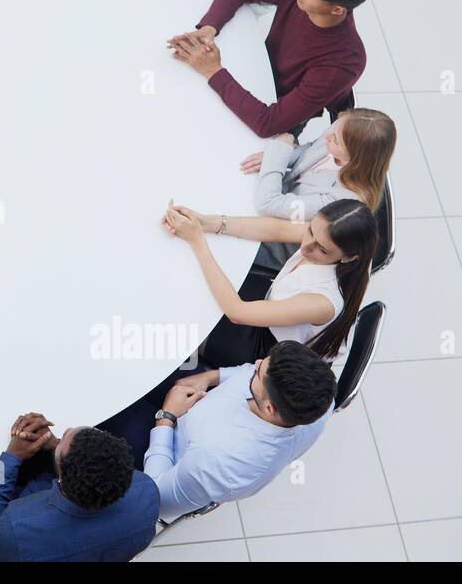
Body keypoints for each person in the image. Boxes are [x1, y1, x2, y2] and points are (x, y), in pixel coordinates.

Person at [100, 341, 336, 521]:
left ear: (269, 408)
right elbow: (248, 372)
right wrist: (210, 377)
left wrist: (166, 417)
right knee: (136, 350)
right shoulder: (322, 401)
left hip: (163, 449)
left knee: (105, 398)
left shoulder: (218, 463)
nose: (255, 363)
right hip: (196, 401)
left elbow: (156, 496)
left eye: (259, 372)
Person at [167, 0, 374, 138]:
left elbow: (268, 123)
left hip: (274, 110)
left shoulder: (344, 62)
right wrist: (210, 27)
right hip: (254, 67)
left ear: (337, 10)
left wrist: (212, 70)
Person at [161, 198, 376, 366]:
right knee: (195, 282)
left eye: (321, 248)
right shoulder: (326, 234)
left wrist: (197, 240)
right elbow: (277, 229)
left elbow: (237, 312)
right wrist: (210, 222)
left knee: (179, 318)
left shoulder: (324, 302)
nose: (306, 246)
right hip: (271, 300)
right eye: (309, 230)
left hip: (263, 352)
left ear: (348, 257)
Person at [0, 416, 158, 562]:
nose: (63, 433)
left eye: (63, 440)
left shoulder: (15, 530)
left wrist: (10, 459)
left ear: (63, 477)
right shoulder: (145, 492)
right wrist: (55, 445)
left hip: (18, 539)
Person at [242, 108, 395, 268]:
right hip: (276, 196)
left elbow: (267, 204)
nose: (328, 136)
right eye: (334, 129)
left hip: (275, 242)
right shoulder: (341, 129)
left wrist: (278, 152)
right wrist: (280, 157)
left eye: (336, 140)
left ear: (355, 158)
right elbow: (310, 150)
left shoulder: (342, 200)